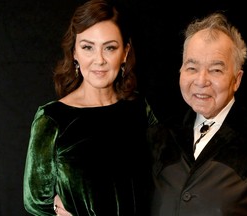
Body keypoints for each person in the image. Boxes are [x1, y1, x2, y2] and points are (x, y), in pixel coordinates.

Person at [23, 0, 158, 215]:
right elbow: (36, 203)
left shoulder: (140, 109)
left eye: (110, 48)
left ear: (125, 53)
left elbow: (163, 180)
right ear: (74, 52)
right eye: (88, 47)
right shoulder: (52, 119)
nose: (99, 60)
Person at [148, 12, 247, 215]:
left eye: (216, 70)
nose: (201, 80)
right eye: (192, 67)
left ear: (236, 80)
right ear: (180, 71)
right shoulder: (159, 137)